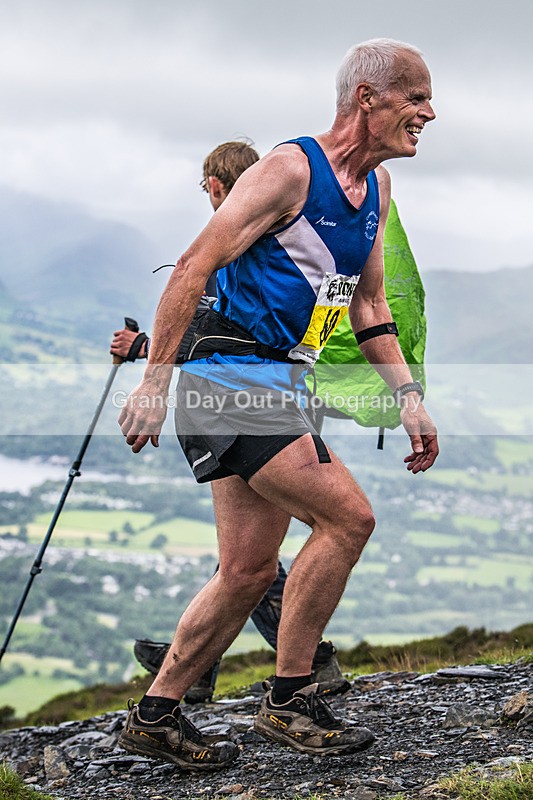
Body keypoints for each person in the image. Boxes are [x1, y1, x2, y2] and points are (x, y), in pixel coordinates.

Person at [118, 38, 439, 771]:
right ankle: (290, 699)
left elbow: (366, 305)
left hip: (277, 381)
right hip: (228, 373)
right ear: (368, 98)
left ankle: (155, 715)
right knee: (348, 517)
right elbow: (196, 262)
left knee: (247, 570)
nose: (428, 112)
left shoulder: (378, 192)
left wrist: (409, 400)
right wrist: (154, 383)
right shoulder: (290, 170)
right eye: (415, 97)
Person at [111, 141, 350, 703]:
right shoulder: (290, 241)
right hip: (274, 395)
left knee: (259, 558)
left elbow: (214, 334)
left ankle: (304, 664)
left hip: (243, 400)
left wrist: (148, 362)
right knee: (246, 561)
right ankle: (198, 677)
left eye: (207, 188)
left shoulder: (237, 247)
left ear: (219, 187)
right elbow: (286, 332)